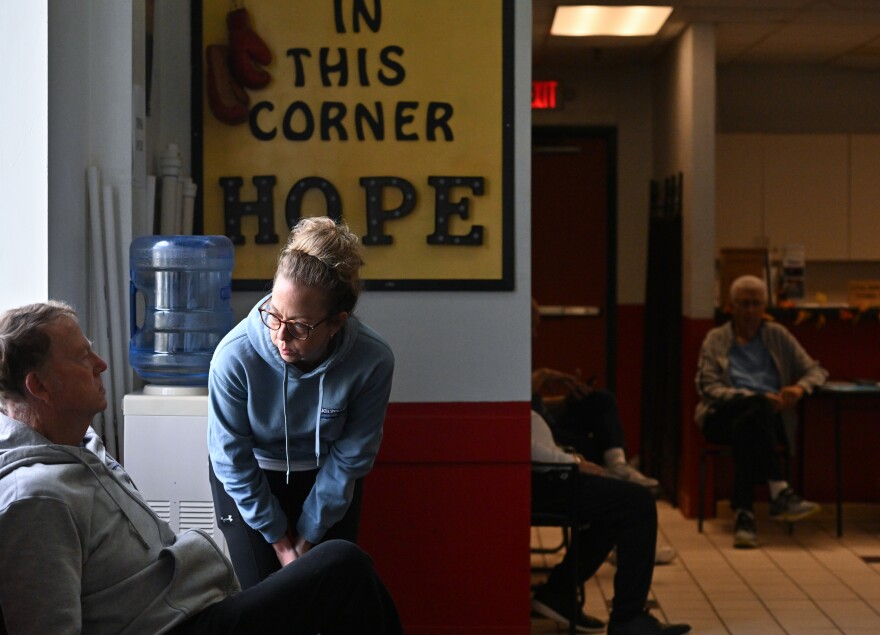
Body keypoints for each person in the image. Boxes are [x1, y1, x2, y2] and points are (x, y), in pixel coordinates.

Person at [0, 301, 402, 634]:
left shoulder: (81, 447)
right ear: (40, 386)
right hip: (178, 628)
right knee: (341, 568)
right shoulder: (36, 500)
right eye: (81, 356)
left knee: (340, 574)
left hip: (201, 609)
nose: (101, 363)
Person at [208, 216, 395, 588]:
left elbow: (351, 457)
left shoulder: (372, 361)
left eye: (300, 326)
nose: (280, 335)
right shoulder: (233, 357)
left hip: (325, 477)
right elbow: (232, 459)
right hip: (250, 474)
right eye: (274, 315)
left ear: (336, 324)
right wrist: (281, 544)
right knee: (263, 601)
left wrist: (307, 537)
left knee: (325, 600)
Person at [695, 274, 828, 549]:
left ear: (764, 306)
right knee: (755, 408)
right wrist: (754, 396)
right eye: (744, 304)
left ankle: (744, 515)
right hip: (721, 413)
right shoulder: (716, 338)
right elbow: (708, 386)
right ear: (731, 307)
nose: (751, 311)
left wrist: (799, 389)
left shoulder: (777, 335)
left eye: (756, 304)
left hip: (763, 419)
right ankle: (779, 490)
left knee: (751, 425)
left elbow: (816, 370)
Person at [531, 410, 691, 635]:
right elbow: (523, 443)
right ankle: (628, 618)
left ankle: (560, 591)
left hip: (545, 472)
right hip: (541, 477)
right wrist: (573, 461)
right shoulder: (502, 383)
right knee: (637, 501)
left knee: (617, 504)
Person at [531, 299, 658, 489]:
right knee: (597, 446)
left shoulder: (525, 350)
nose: (535, 334)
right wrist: (542, 376)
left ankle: (618, 465)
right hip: (542, 432)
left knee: (600, 399)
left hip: (549, 419)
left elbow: (539, 403)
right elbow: (520, 405)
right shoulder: (508, 353)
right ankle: (614, 471)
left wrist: (566, 401)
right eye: (532, 326)